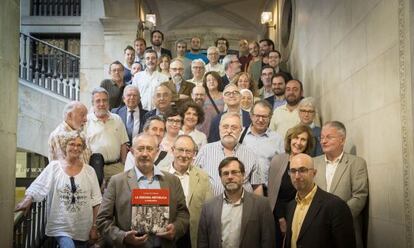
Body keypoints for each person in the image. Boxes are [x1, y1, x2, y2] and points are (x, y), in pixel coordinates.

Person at [96, 134, 189, 247]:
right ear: (132, 151)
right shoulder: (117, 182)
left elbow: (183, 214)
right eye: (140, 149)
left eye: (149, 149)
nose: (145, 154)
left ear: (157, 151)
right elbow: (102, 220)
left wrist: (175, 228)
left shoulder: (173, 181)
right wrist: (123, 237)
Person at [16, 131, 102, 248]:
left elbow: (97, 201)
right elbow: (39, 185)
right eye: (72, 144)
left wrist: (94, 227)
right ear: (64, 146)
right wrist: (28, 199)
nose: (75, 148)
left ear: (83, 148)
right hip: (60, 224)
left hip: (82, 226)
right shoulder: (54, 167)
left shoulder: (90, 171)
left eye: (79, 145)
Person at [197, 157, 275, 248]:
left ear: (243, 175)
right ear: (221, 178)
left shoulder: (261, 204)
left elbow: (268, 241)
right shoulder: (208, 206)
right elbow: (202, 242)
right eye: (225, 173)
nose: (230, 177)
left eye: (234, 172)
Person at [314, 121, 368, 248]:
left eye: (329, 137)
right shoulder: (313, 163)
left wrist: (337, 218)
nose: (323, 141)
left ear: (342, 140)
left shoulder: (356, 163)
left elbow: (359, 196)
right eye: (321, 137)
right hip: (317, 230)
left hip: (345, 229)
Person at [284, 153, 356, 248]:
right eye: (293, 171)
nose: (297, 176)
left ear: (314, 173)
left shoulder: (335, 206)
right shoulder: (291, 206)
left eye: (302, 170)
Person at [267, 124, 315, 248]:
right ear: (290, 139)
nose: (298, 142)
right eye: (296, 138)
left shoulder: (311, 162)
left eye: (303, 139)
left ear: (307, 143)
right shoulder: (277, 160)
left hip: (302, 214)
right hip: (278, 216)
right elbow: (272, 194)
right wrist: (281, 219)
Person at [195, 112, 263, 196]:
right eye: (225, 127)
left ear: (241, 130)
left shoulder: (250, 154)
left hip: (243, 206)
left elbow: (257, 186)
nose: (229, 131)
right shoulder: (205, 150)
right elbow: (194, 179)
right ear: (219, 128)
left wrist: (258, 208)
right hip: (212, 207)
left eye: (234, 128)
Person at [165, 135, 213, 248]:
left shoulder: (203, 177)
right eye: (180, 150)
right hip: (166, 233)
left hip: (192, 234)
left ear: (194, 154)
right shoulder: (160, 174)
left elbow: (209, 209)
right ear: (172, 150)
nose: (184, 155)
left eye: (189, 151)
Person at [86, 87, 129, 181]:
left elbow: (123, 144)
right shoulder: (86, 121)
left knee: (121, 194)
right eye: (98, 101)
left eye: (104, 100)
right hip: (94, 168)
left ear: (108, 103)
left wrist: (123, 164)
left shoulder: (117, 119)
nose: (101, 104)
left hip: (117, 167)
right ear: (93, 104)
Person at [241, 100, 284, 186]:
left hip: (267, 190)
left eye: (264, 116)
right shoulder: (240, 134)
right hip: (243, 189)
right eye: (257, 116)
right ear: (251, 116)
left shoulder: (277, 139)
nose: (260, 120)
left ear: (270, 117)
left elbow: (281, 169)